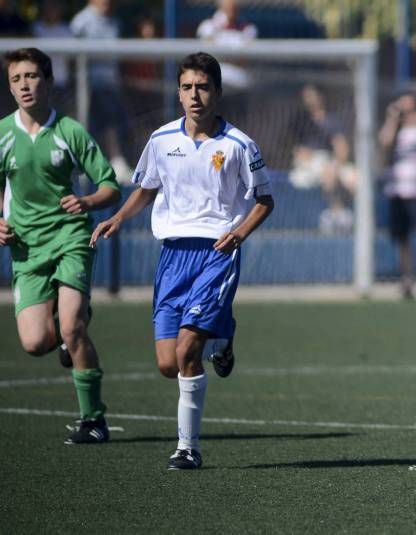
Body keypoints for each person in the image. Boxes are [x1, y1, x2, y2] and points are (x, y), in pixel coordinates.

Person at [91, 52, 275, 470]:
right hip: (173, 256)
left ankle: (187, 448)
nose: (195, 95)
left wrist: (238, 234)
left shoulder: (239, 145)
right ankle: (223, 338)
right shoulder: (161, 140)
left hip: (217, 253)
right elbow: (146, 188)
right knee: (167, 362)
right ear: (178, 92)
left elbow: (265, 200)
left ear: (218, 92)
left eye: (203, 87)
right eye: (188, 87)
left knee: (189, 350)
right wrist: (118, 217)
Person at [0, 47, 121, 444]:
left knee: (72, 327)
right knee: (35, 343)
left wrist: (86, 202)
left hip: (71, 237)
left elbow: (110, 186)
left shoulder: (69, 131)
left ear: (49, 82)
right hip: (26, 249)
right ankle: (73, 325)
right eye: (17, 78)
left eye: (32, 76)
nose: (24, 85)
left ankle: (93, 420)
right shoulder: (2, 134)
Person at [378, 91, 416, 300]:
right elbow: (384, 142)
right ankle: (407, 282)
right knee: (402, 239)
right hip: (397, 191)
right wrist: (393, 119)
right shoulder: (394, 131)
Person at [70, 0, 133, 183]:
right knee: (98, 121)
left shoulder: (115, 23)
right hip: (87, 86)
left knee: (117, 120)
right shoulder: (80, 22)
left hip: (112, 83)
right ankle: (114, 159)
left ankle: (113, 162)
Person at [288, 84, 357, 234]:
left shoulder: (332, 121)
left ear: (321, 97)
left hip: (330, 161)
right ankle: (337, 213)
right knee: (326, 175)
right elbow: (297, 150)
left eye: (312, 95)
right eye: (306, 96)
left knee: (354, 179)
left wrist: (335, 165)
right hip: (308, 165)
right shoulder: (301, 121)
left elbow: (342, 149)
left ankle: (354, 217)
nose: (309, 100)